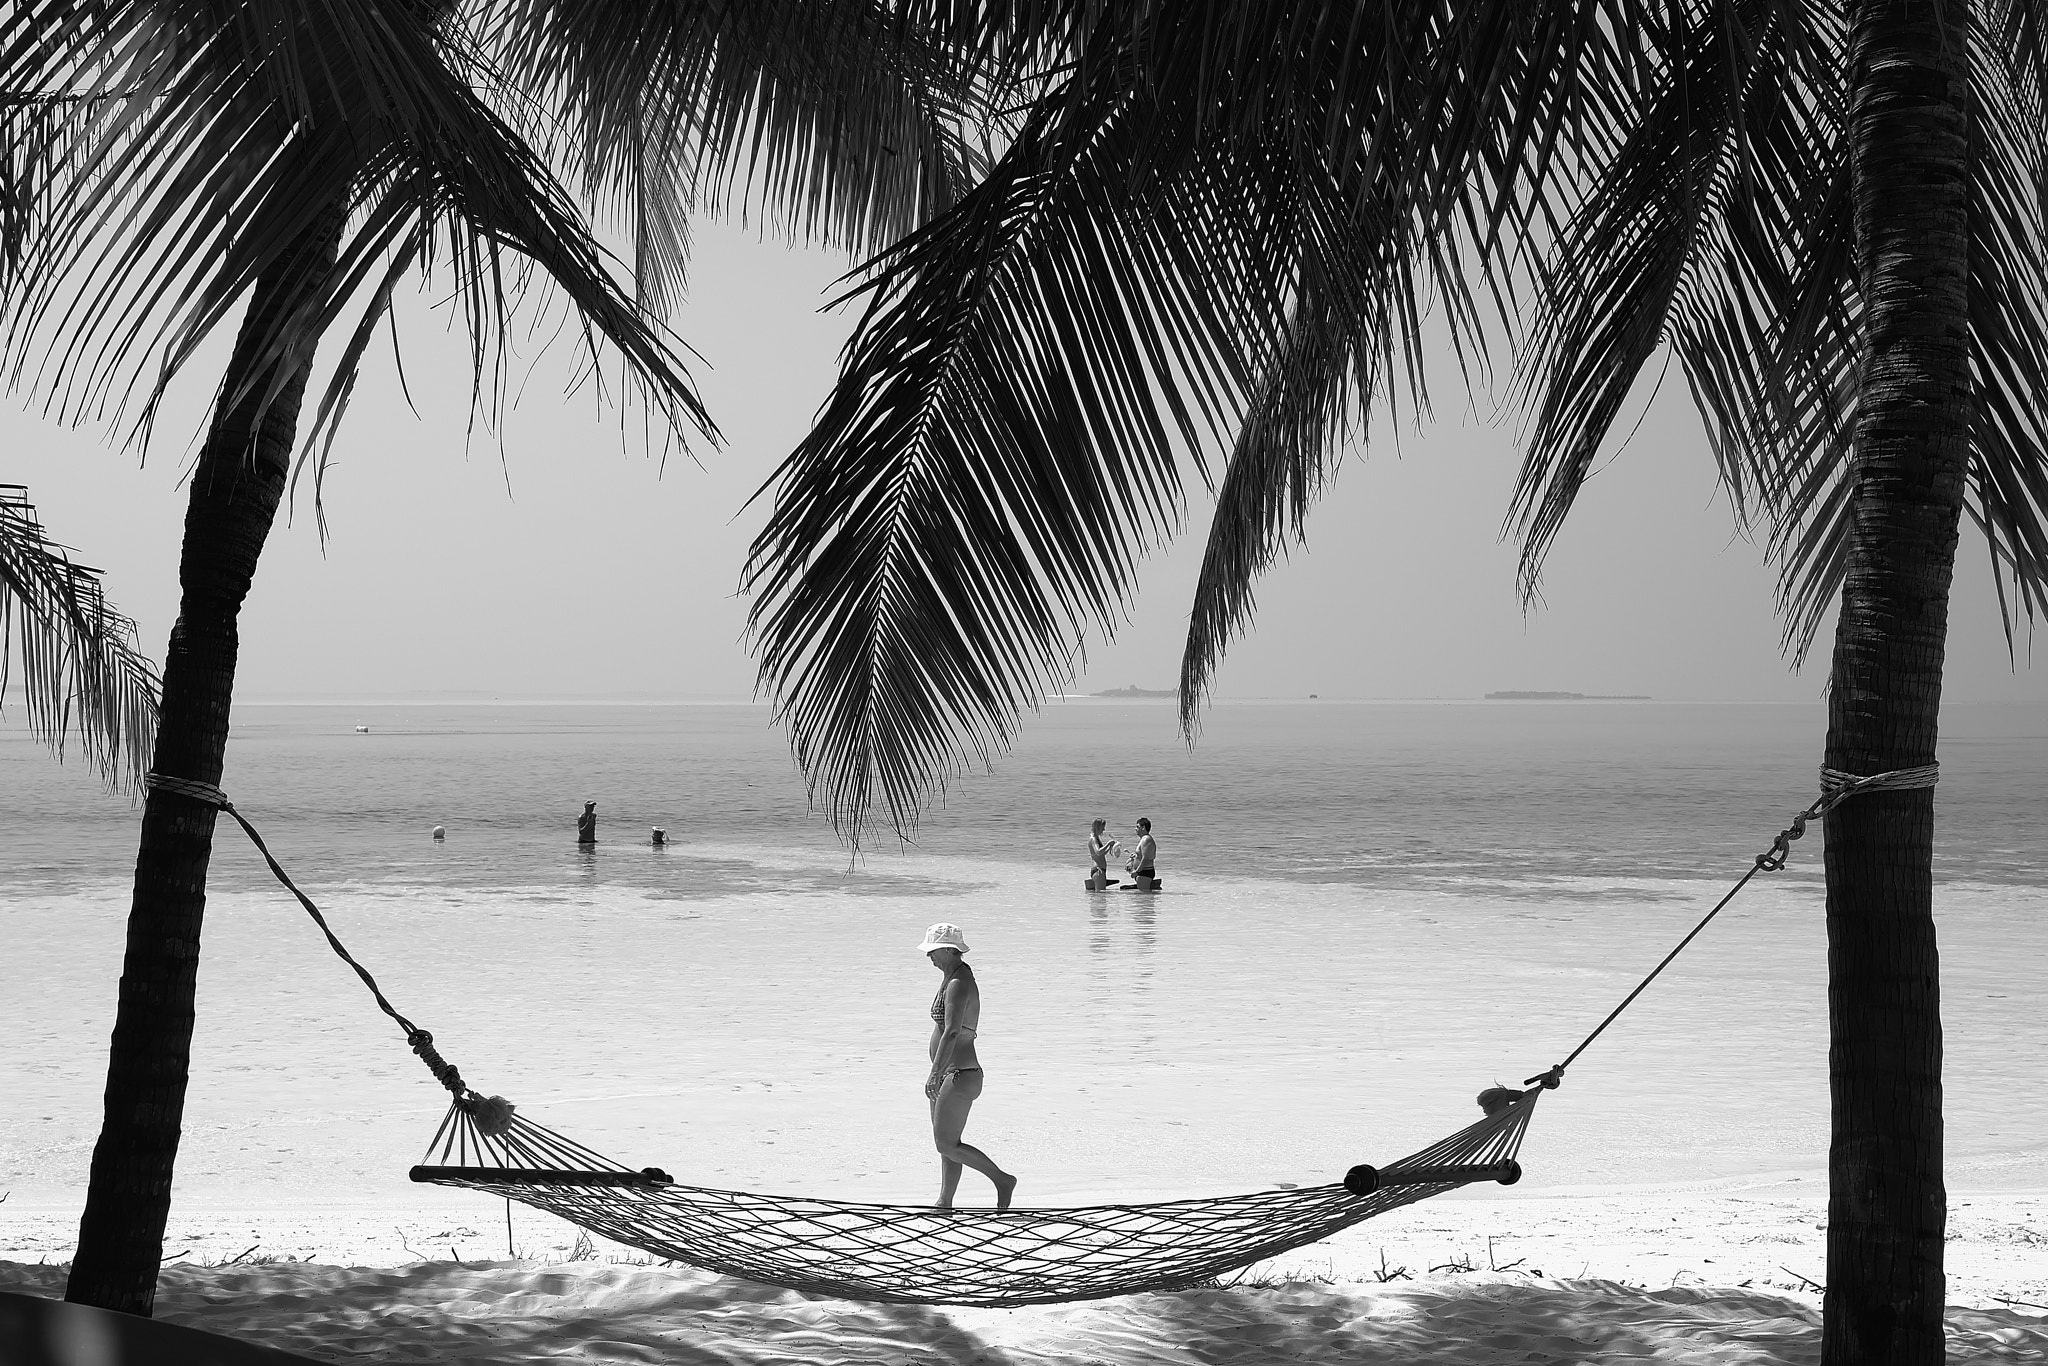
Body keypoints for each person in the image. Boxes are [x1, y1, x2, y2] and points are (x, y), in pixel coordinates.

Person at [919, 922, 1016, 1211]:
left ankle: (1002, 1180)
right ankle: (944, 1202)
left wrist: (934, 1074)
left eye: (933, 951)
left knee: (946, 1144)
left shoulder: (960, 982)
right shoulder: (952, 977)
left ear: (949, 950)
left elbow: (951, 1031)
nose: (929, 957)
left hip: (960, 1074)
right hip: (951, 1074)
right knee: (946, 1142)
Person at [1086, 819, 1119, 887]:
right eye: (1102, 827)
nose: (1104, 829)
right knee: (1101, 895)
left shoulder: (1096, 838)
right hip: (1098, 870)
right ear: (1097, 827)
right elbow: (1098, 852)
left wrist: (1109, 847)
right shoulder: (1093, 839)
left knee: (1099, 895)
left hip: (1099, 870)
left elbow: (1101, 854)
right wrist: (1108, 843)